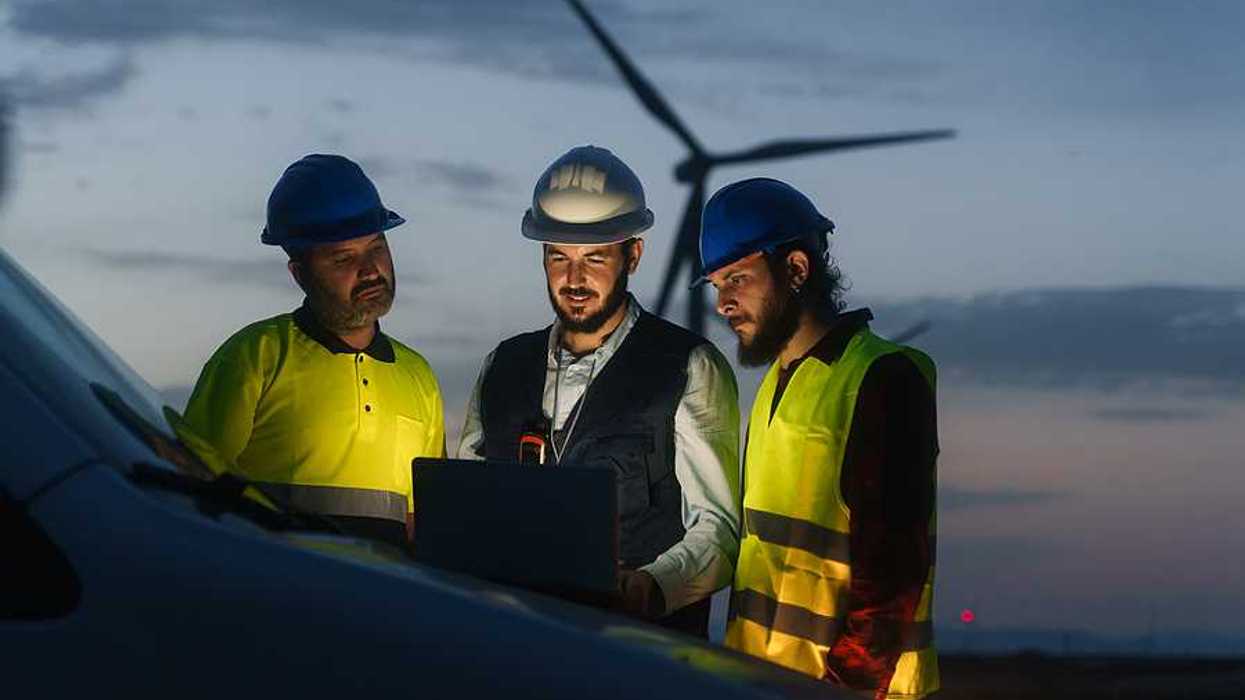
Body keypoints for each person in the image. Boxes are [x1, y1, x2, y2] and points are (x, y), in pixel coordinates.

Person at [457, 145, 740, 637]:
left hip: (638, 658)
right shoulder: (502, 366)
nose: (574, 279)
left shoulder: (688, 367)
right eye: (558, 257)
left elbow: (716, 531)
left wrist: (651, 586)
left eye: (594, 258)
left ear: (633, 253)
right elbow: (462, 504)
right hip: (512, 646)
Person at [701, 178, 939, 698]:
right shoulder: (773, 387)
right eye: (717, 285)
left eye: (737, 278)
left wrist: (839, 690)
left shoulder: (882, 378)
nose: (723, 303)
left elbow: (893, 575)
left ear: (796, 270)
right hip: (764, 683)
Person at [184, 154, 444, 547]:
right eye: (344, 258)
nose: (371, 269)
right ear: (299, 273)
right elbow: (190, 495)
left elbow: (423, 521)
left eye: (376, 247)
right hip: (277, 598)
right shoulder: (253, 359)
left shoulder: (419, 377)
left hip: (385, 601)